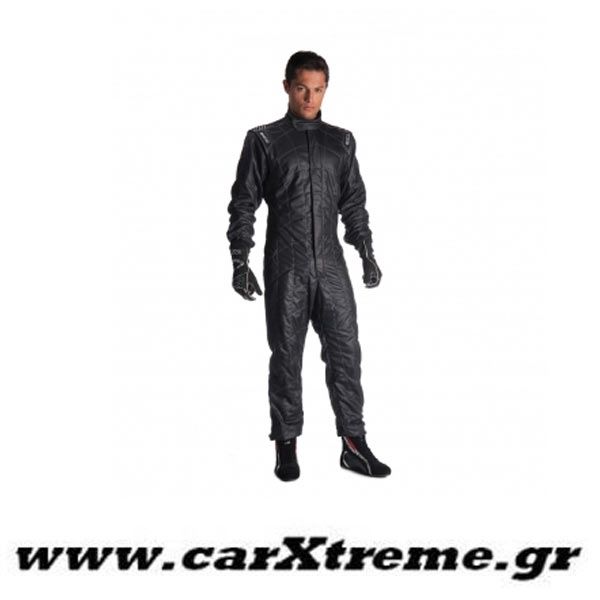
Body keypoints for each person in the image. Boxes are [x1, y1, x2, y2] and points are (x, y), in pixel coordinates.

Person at [226, 50, 391, 481]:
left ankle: (353, 445)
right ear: (287, 86)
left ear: (326, 89)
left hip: (331, 265)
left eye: (317, 89)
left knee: (346, 353)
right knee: (286, 357)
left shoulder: (342, 142)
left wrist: (366, 251)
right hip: (287, 264)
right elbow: (243, 202)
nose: (309, 98)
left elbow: (353, 202)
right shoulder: (263, 140)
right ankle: (286, 445)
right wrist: (240, 258)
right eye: (302, 88)